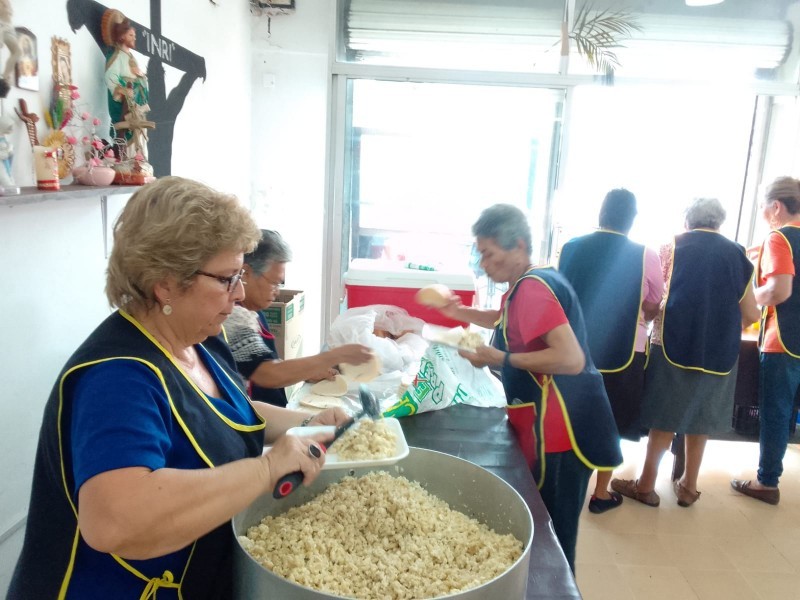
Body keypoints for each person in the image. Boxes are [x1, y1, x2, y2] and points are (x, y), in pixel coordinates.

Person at [8, 177, 349, 599]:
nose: (239, 294)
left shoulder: (201, 339)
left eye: (240, 275)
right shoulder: (117, 377)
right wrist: (265, 469)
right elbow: (115, 520)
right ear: (166, 281)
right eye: (226, 279)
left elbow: (229, 417)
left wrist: (311, 422)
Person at [435, 203, 623, 572]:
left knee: (555, 531)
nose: (484, 265)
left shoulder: (533, 289)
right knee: (551, 524)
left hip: (561, 429)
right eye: (480, 255)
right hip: (554, 420)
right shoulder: (530, 282)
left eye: (489, 254)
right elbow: (507, 320)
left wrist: (498, 358)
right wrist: (460, 314)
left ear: (518, 245)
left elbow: (570, 359)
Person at [612, 198, 759, 508]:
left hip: (672, 344)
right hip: (718, 353)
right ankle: (689, 486)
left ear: (687, 220)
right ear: (720, 222)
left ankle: (646, 485)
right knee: (700, 418)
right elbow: (751, 313)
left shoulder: (671, 247)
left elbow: (656, 297)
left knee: (664, 417)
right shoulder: (738, 255)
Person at [558, 188, 663, 513]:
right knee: (611, 422)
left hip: (574, 350)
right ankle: (601, 492)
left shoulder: (572, 248)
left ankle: (561, 485)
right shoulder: (645, 254)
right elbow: (653, 303)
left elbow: (559, 294)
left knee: (568, 416)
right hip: (624, 356)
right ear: (632, 220)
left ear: (601, 213)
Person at [225, 229, 374, 407]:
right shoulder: (233, 316)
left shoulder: (253, 311)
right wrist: (334, 356)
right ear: (246, 273)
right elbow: (266, 373)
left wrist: (308, 371)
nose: (277, 291)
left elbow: (259, 363)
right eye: (273, 283)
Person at [732, 177, 800, 505]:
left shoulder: (780, 238)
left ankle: (767, 482)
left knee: (776, 410)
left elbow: (779, 290)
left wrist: (748, 300)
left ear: (776, 207)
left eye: (762, 207)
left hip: (784, 339)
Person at [101, 8, 152, 158]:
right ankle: (129, 162)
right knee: (126, 133)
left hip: (137, 106)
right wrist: (122, 90)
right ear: (122, 36)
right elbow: (110, 76)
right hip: (126, 107)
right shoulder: (116, 56)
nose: (134, 38)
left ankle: (139, 162)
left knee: (140, 134)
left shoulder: (131, 57)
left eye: (134, 35)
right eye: (131, 35)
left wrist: (141, 77)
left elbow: (139, 80)